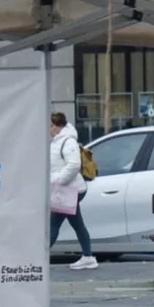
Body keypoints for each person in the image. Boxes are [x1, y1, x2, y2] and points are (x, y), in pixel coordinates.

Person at [49, 112, 97, 270]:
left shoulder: (67, 141)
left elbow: (74, 165)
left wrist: (58, 181)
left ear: (58, 126)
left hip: (69, 189)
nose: (49, 129)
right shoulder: (58, 141)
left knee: (54, 223)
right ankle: (88, 256)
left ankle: (38, 258)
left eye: (51, 126)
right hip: (68, 189)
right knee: (76, 223)